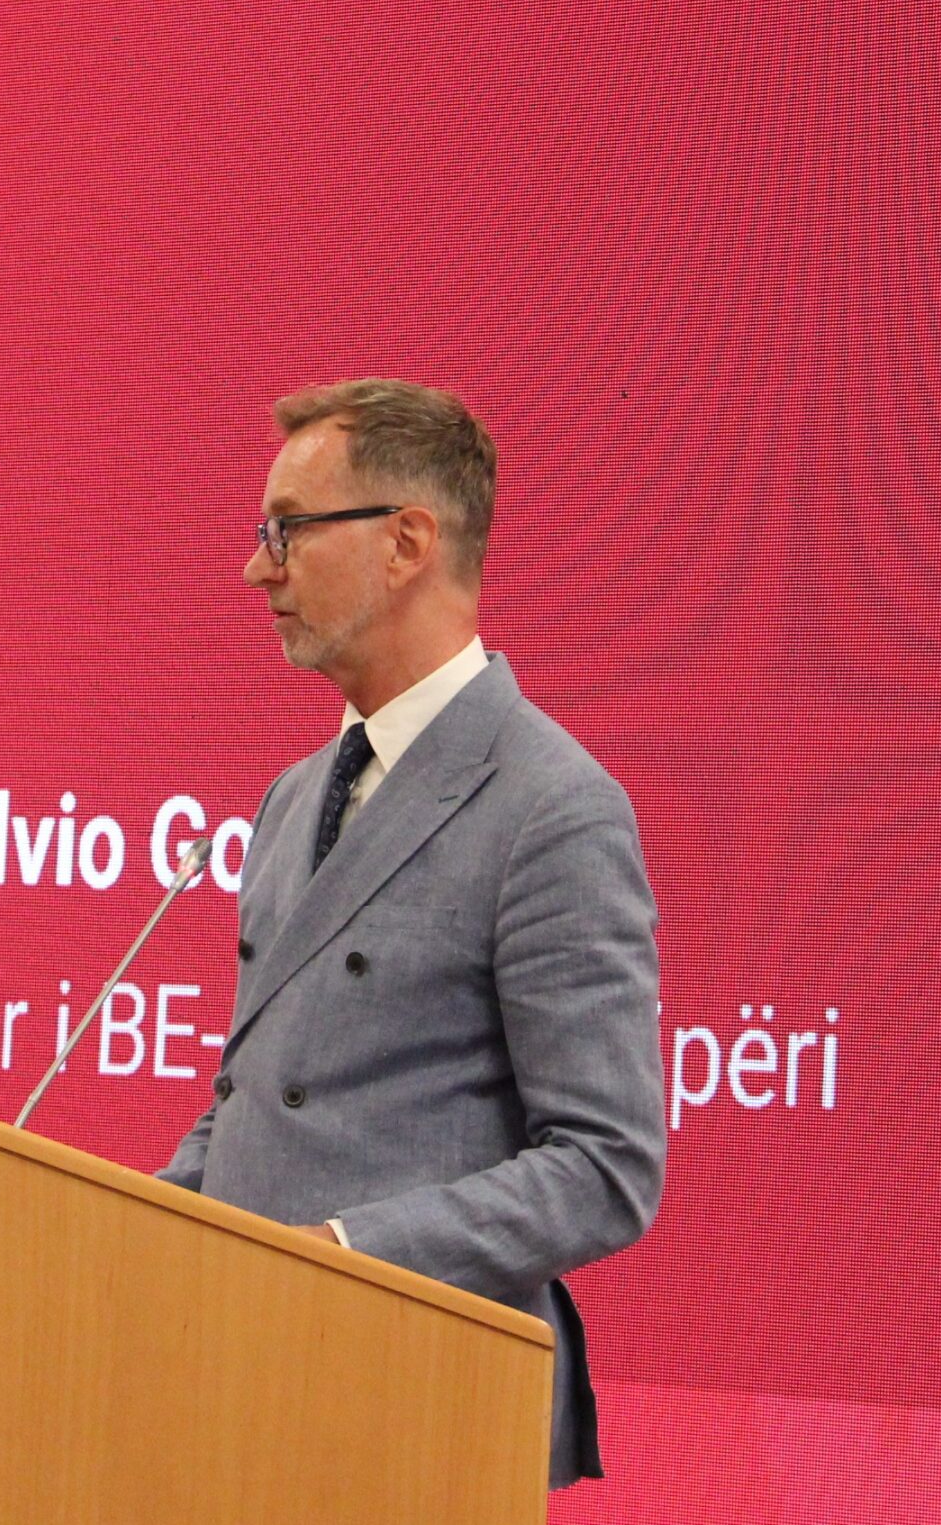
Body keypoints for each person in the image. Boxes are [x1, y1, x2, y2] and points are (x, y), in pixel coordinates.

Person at [158, 378, 665, 1488]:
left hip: (414, 1402)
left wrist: (350, 1253)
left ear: (406, 543)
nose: (256, 569)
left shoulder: (551, 805)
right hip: (238, 1381)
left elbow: (606, 1165)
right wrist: (140, 1222)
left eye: (288, 529)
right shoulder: (293, 795)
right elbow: (258, 1097)